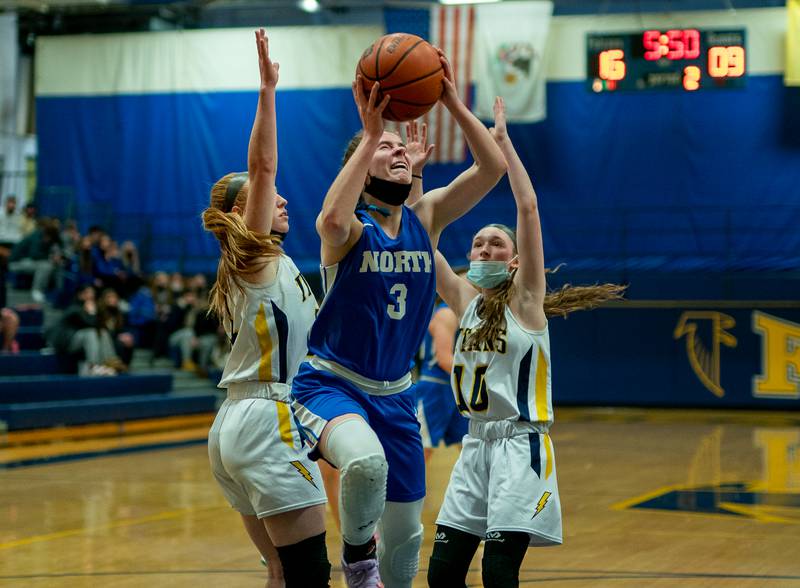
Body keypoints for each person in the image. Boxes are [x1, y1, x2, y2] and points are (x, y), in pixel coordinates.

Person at [290, 53, 507, 588]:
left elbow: (493, 169)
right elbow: (329, 219)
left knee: (407, 537)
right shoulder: (350, 231)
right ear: (362, 167)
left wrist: (451, 99)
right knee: (365, 463)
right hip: (332, 384)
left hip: (397, 394)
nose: (398, 152)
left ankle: (379, 567)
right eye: (385, 149)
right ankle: (357, 559)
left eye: (399, 147)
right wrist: (371, 135)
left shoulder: (423, 219)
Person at [427, 97, 626, 588]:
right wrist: (414, 177)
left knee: (499, 575)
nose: (484, 249)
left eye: (496, 244)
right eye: (477, 243)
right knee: (442, 576)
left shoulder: (527, 301)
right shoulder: (462, 300)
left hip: (520, 446)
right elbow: (420, 236)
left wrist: (503, 144)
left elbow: (528, 208)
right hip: (475, 445)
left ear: (515, 261)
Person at [202, 29, 329, 588]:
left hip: (239, 420)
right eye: (263, 197)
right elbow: (263, 168)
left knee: (280, 570)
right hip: (266, 415)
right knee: (309, 573)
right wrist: (267, 90)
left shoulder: (274, 262)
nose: (281, 198)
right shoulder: (249, 255)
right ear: (241, 213)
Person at [415, 297, 468, 461]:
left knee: (470, 446)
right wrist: (480, 379)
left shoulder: (462, 312)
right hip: (435, 387)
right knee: (422, 449)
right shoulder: (447, 313)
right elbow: (444, 359)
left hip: (455, 387)